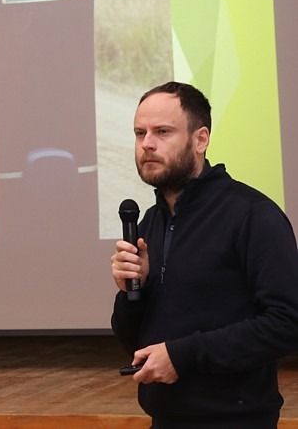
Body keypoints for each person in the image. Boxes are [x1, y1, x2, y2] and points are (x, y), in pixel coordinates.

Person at [110, 81, 298, 428]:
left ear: (201, 139)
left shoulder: (252, 215)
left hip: (236, 420)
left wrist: (183, 356)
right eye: (140, 133)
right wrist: (131, 293)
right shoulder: (149, 222)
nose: (147, 143)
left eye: (162, 132)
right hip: (164, 418)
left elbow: (287, 323)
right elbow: (133, 341)